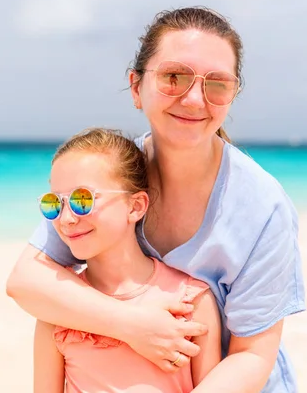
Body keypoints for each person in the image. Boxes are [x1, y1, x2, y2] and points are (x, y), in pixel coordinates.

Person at [7, 6, 305, 393]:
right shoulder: (110, 174)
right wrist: (131, 324)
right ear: (136, 87)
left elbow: (252, 355)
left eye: (217, 84)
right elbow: (27, 281)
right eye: (174, 77)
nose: (195, 99)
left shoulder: (264, 208)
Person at [33, 128, 222, 392]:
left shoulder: (191, 302)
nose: (66, 219)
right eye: (54, 203)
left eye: (82, 200)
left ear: (135, 206)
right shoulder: (58, 311)